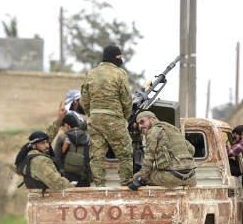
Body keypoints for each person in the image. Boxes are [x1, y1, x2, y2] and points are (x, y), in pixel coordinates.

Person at [81, 44, 133, 186]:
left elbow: (84, 99)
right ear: (116, 57)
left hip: (95, 119)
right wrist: (124, 118)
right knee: (125, 153)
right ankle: (126, 184)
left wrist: (90, 115)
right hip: (114, 119)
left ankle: (99, 186)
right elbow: (127, 100)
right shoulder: (120, 73)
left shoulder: (90, 73)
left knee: (96, 155)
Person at [129, 111, 196, 189]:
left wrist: (140, 179)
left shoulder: (153, 131)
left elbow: (149, 159)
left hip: (172, 178)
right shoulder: (173, 128)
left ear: (151, 119)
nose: (140, 126)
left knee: (138, 177)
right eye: (138, 125)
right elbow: (192, 150)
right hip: (191, 178)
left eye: (142, 122)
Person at [54, 111, 92, 187]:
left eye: (63, 127)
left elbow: (56, 158)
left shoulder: (62, 137)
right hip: (83, 179)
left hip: (66, 179)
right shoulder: (87, 137)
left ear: (67, 125)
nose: (62, 130)